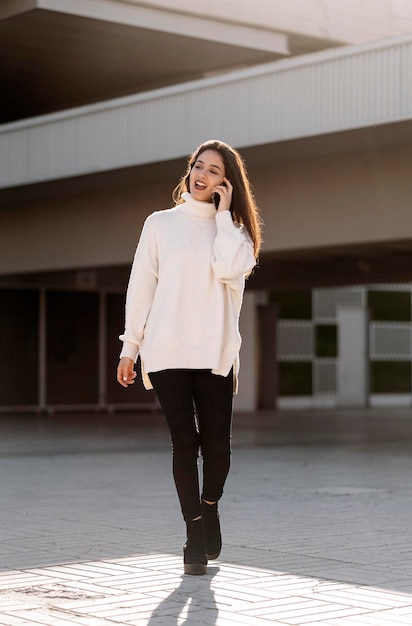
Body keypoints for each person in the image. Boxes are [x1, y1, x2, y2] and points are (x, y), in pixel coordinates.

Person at [117, 139, 262, 575]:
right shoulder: (159, 224)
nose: (203, 175)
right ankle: (193, 535)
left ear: (228, 183)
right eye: (199, 166)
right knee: (185, 443)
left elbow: (225, 268)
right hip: (167, 351)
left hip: (214, 352)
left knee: (218, 449)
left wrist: (222, 217)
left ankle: (210, 504)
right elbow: (141, 287)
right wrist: (131, 347)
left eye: (216, 171)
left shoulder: (236, 234)